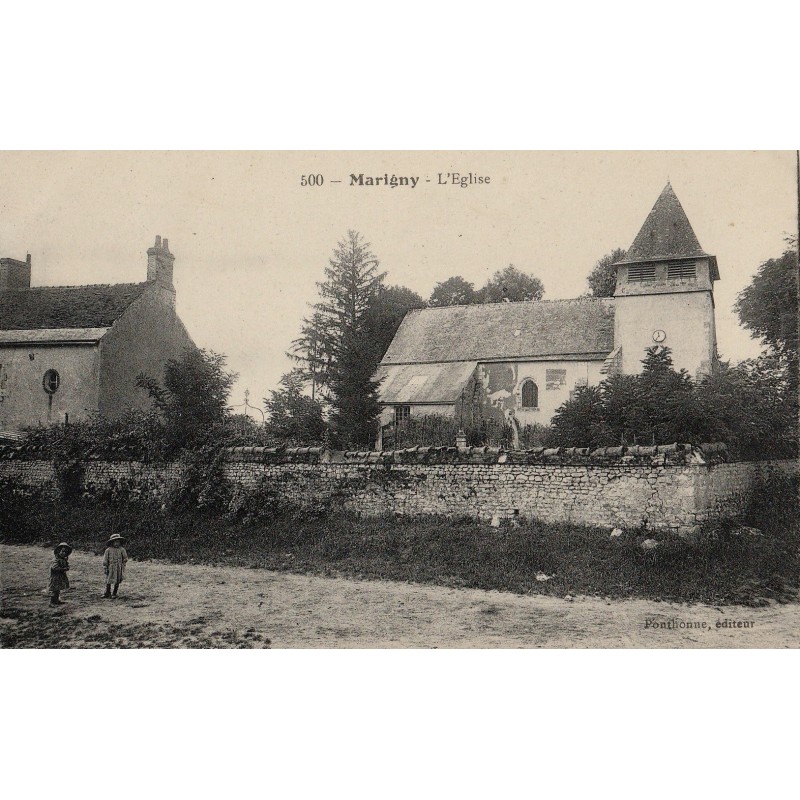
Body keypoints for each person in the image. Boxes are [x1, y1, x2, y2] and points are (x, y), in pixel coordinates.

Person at [103, 534, 128, 599]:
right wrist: (105, 567)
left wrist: (123, 563)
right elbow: (105, 559)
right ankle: (107, 593)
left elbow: (125, 558)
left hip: (118, 567)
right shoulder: (108, 550)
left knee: (117, 580)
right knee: (108, 580)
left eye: (118, 542)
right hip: (110, 567)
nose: (117, 543)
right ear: (112, 542)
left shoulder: (122, 549)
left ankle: (114, 593)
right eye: (115, 542)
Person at [48, 543, 72, 607]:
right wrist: (62, 569)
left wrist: (67, 567)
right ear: (58, 551)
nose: (63, 553)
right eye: (62, 551)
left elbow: (66, 565)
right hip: (55, 577)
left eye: (65, 552)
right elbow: (54, 568)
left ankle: (56, 600)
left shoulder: (63, 559)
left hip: (60, 577)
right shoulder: (55, 560)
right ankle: (52, 602)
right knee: (54, 590)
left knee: (57, 590)